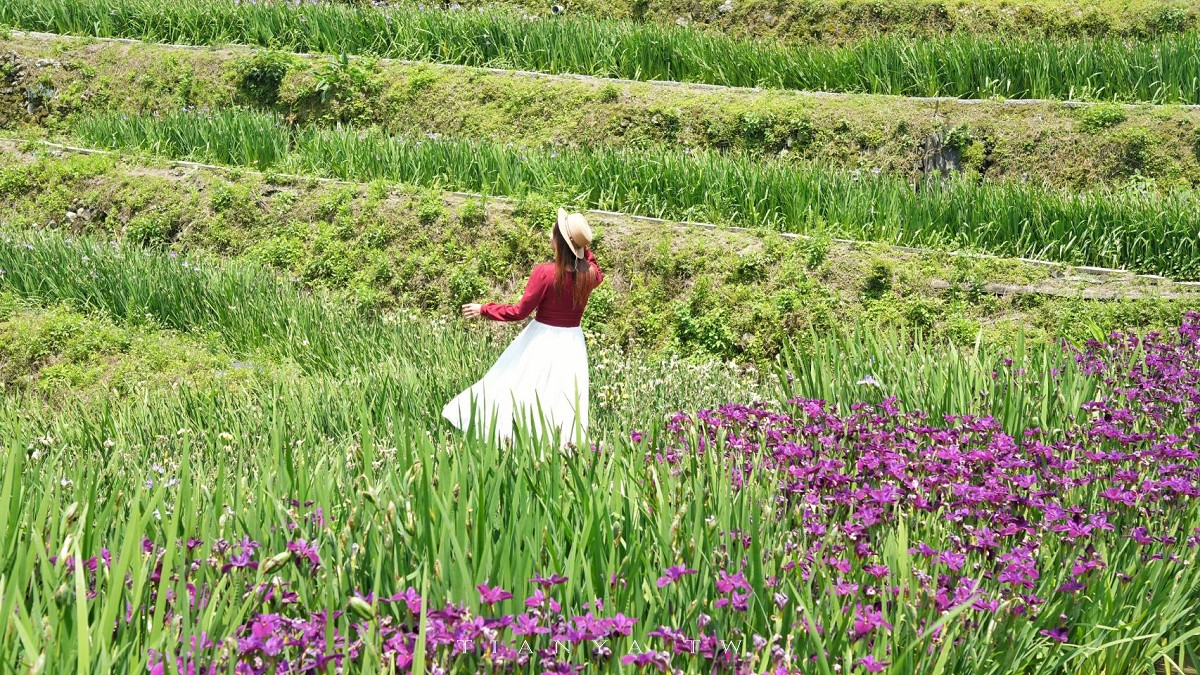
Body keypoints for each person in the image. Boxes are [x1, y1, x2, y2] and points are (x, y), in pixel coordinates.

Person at [442, 208, 604, 445]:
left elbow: (519, 312)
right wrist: (580, 246)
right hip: (572, 343)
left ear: (559, 240)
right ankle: (557, 444)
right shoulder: (591, 276)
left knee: (515, 384)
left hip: (542, 339)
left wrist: (483, 309)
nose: (549, 237)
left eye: (553, 233)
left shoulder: (546, 273)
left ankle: (513, 437)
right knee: (562, 395)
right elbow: (591, 262)